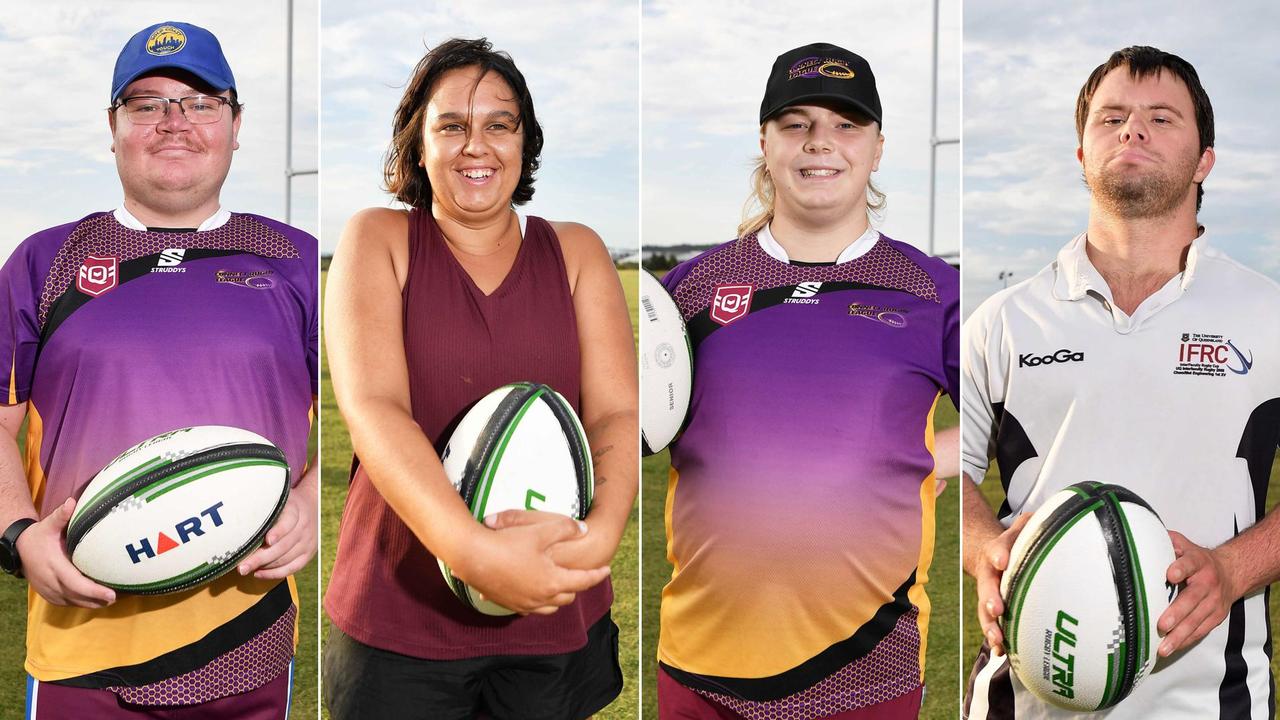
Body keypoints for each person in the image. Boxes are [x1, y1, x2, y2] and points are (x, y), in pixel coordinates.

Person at [0, 20, 318, 718]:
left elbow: (370, 413)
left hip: (249, 637)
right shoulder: (42, 263)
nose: (174, 121)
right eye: (146, 104)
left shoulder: (297, 259)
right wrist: (18, 535)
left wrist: (314, 501)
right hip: (83, 647)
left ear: (237, 125)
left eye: (201, 101)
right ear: (112, 128)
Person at [322, 38, 637, 720]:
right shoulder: (378, 239)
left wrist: (599, 539)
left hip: (554, 601)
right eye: (452, 125)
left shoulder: (576, 251)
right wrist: (472, 554)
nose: (477, 145)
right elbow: (374, 407)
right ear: (418, 144)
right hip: (399, 616)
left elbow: (615, 412)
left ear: (525, 142)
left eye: (499, 124)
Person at [963, 45, 1280, 719]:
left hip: (1209, 703)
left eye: (1161, 117)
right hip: (1022, 699)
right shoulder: (1003, 320)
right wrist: (981, 545)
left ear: (1205, 160)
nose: (1132, 129)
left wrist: (1232, 571)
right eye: (1111, 117)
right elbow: (936, 473)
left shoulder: (1268, 315)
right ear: (1081, 154)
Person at [656, 43, 960, 719]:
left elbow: (1014, 411)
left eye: (846, 124)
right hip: (699, 673)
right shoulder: (690, 289)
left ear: (877, 147)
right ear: (764, 142)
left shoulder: (932, 291)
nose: (820, 142)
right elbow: (628, 422)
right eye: (796, 123)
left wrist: (931, 456)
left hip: (865, 674)